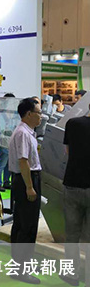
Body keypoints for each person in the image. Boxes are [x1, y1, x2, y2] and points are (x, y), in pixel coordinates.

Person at [8, 98, 42, 284]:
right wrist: (30, 187)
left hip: (25, 179)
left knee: (22, 224)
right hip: (26, 180)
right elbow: (23, 161)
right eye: (38, 113)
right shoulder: (22, 133)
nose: (41, 117)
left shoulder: (27, 132)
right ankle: (22, 269)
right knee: (27, 226)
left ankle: (19, 266)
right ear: (29, 114)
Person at [60, 107, 90, 286]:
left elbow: (68, 152)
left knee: (71, 235)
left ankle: (72, 275)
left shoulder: (73, 124)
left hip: (72, 184)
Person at [0, 93, 16, 191]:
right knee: (2, 164)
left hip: (10, 142)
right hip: (2, 142)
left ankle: (6, 181)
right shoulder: (2, 114)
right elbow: (1, 129)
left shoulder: (12, 114)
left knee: (9, 164)